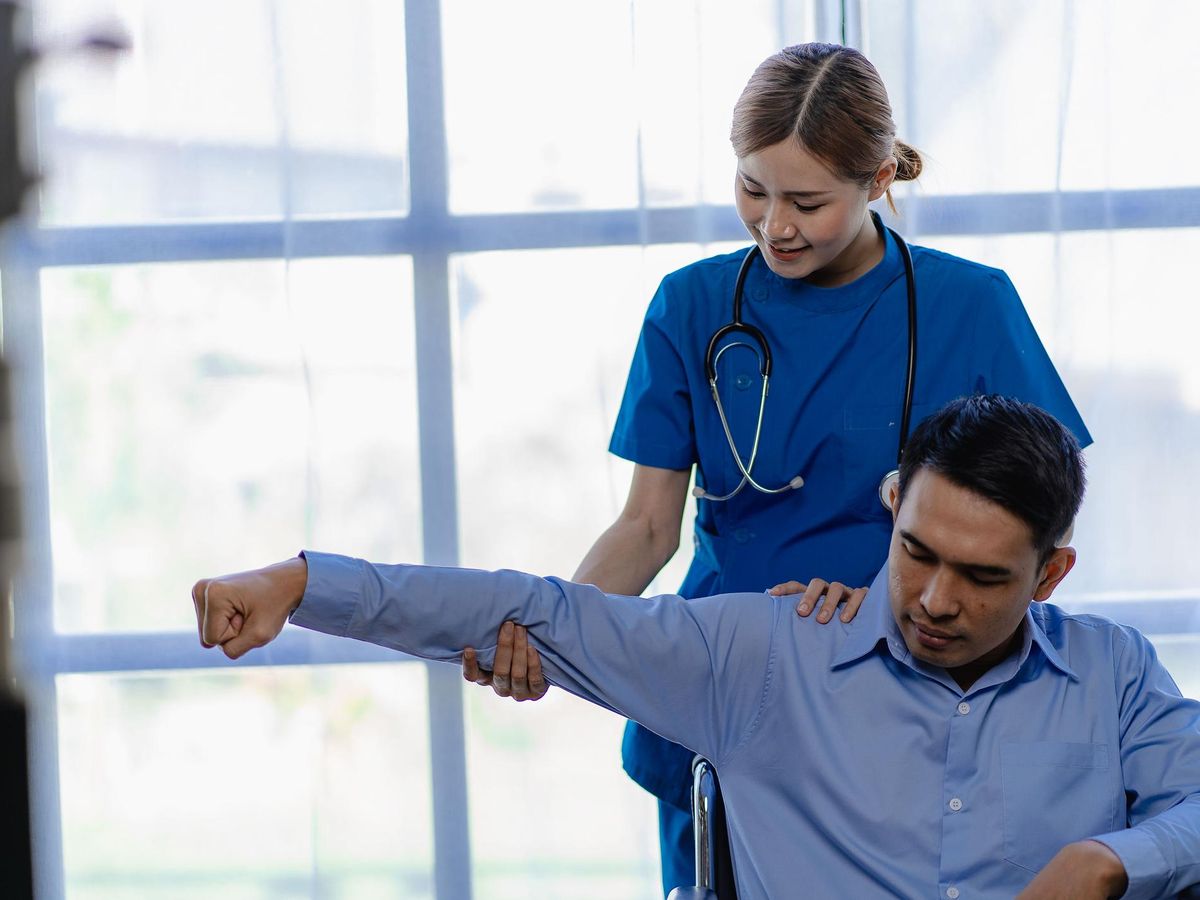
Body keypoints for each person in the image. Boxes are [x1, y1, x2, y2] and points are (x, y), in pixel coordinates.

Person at [459, 41, 1093, 895]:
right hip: (718, 685)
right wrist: (551, 628)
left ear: (876, 182)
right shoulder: (691, 306)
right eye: (752, 189)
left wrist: (883, 602)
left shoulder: (970, 306)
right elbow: (647, 527)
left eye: (807, 201)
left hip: (891, 695)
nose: (774, 226)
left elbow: (1039, 518)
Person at [192, 395, 1200, 899]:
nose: (935, 600)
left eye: (983, 578)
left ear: (1051, 575)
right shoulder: (768, 652)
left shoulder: (1111, 676)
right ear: (891, 507)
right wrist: (297, 584)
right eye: (917, 553)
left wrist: (1109, 860)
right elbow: (535, 608)